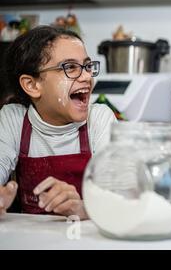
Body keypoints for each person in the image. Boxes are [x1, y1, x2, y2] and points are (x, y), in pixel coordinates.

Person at [0, 26, 116, 219]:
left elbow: (120, 197)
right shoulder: (14, 120)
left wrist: (81, 208)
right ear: (32, 85)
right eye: (70, 67)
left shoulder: (99, 119)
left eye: (87, 66)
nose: (87, 77)